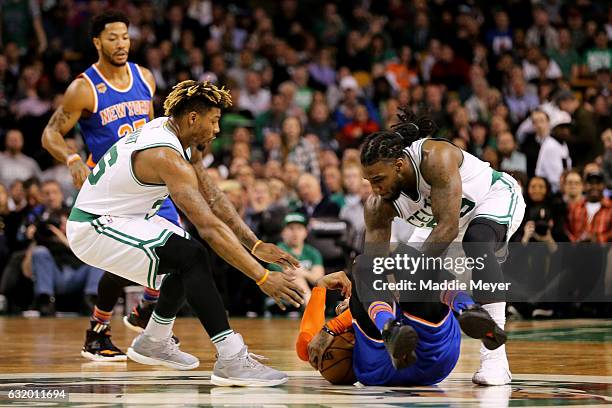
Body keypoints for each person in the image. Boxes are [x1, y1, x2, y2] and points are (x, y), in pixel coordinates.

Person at [67, 79, 304, 386]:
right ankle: (230, 356)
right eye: (214, 121)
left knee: (186, 252)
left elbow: (214, 198)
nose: (218, 130)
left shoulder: (175, 133)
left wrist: (255, 244)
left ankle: (155, 339)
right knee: (191, 256)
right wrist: (261, 277)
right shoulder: (166, 156)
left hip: (126, 216)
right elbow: (209, 227)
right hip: (93, 224)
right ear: (193, 118)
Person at [40, 11, 180, 361]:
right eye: (113, 37)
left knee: (177, 245)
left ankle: (146, 308)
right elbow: (50, 134)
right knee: (123, 261)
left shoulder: (145, 77)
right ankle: (99, 331)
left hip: (147, 181)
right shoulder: (84, 87)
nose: (121, 44)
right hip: (111, 188)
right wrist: (72, 159)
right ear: (97, 42)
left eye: (125, 37)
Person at [357, 108, 525, 385]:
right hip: (443, 224)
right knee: (390, 265)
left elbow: (446, 228)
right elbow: (374, 268)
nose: (374, 189)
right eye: (369, 182)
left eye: (378, 180)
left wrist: (410, 273)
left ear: (399, 165)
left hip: (491, 200)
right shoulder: (378, 206)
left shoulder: (435, 157)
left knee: (476, 244)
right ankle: (462, 307)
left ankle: (495, 360)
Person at [298, 271, 467, 386]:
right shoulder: (346, 324)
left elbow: (305, 346)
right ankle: (467, 306)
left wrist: (320, 286)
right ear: (347, 339)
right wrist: (335, 325)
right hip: (436, 356)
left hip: (375, 373)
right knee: (406, 264)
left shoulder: (353, 358)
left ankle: (389, 330)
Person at [268, 213, 324, 305]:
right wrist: (306, 274)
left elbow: (318, 278)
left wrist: (302, 272)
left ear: (306, 232)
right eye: (291, 228)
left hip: (309, 289)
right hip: (282, 291)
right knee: (295, 277)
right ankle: (311, 303)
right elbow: (288, 273)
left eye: (299, 228)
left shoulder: (313, 252)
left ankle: (311, 303)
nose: (295, 232)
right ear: (283, 232)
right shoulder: (277, 250)